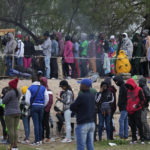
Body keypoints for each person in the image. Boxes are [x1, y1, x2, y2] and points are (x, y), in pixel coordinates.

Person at [70, 79, 95, 150]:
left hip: (83, 123)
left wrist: (77, 110)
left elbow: (72, 107)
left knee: (81, 146)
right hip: (91, 123)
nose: (80, 86)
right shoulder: (92, 95)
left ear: (85, 86)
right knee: (90, 145)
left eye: (81, 84)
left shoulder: (81, 96)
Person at [25, 75, 49, 145]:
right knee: (40, 123)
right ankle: (40, 140)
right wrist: (43, 105)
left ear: (32, 80)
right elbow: (47, 98)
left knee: (36, 124)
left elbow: (27, 100)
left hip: (34, 106)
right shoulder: (43, 88)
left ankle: (37, 141)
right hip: (41, 106)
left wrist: (30, 105)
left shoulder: (30, 88)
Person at [2, 78, 21, 150]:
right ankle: (15, 145)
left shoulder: (9, 93)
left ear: (11, 86)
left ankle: (12, 146)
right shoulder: (18, 92)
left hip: (10, 113)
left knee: (10, 130)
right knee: (15, 129)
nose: (8, 86)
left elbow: (3, 101)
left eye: (9, 85)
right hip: (18, 112)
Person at [125, 78, 145, 144]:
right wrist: (127, 108)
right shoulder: (128, 90)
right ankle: (134, 139)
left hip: (137, 110)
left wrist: (138, 105)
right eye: (128, 86)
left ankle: (142, 138)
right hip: (130, 110)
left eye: (129, 85)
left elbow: (142, 99)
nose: (129, 87)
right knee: (132, 125)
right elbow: (127, 100)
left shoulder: (139, 89)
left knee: (139, 124)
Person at [40, 77, 53, 143]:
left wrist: (45, 108)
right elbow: (50, 101)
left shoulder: (44, 89)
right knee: (45, 123)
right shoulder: (48, 90)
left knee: (44, 123)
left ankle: (45, 137)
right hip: (46, 109)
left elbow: (49, 101)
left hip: (44, 109)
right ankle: (45, 137)